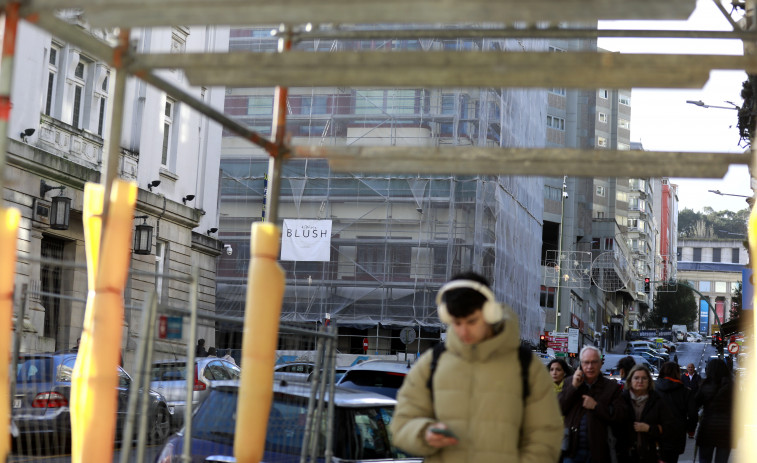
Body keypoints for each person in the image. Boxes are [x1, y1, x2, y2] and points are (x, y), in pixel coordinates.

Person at [390, 271, 563, 463]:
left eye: (472, 321)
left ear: (491, 313)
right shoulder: (432, 362)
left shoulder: (527, 367)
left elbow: (547, 435)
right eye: (456, 323)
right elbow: (400, 425)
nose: (463, 332)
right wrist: (423, 433)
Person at [559, 345, 628, 463]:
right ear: (581, 364)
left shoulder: (611, 387)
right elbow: (558, 409)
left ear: (601, 364)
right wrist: (573, 387)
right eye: (586, 362)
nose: (590, 367)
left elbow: (620, 415)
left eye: (594, 362)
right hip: (572, 451)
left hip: (599, 452)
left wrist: (596, 406)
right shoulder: (570, 382)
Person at [615, 364, 673, 463]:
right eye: (636, 378)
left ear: (649, 381)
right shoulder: (621, 400)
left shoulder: (657, 401)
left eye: (644, 378)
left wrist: (649, 428)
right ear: (630, 380)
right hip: (624, 455)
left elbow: (668, 427)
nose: (640, 381)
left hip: (649, 454)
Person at [655, 362, 697, 463]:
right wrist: (690, 429)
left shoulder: (654, 388)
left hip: (657, 431)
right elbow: (693, 414)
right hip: (677, 432)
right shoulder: (685, 391)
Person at [695, 358, 734, 463]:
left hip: (707, 429)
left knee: (704, 459)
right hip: (726, 431)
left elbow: (695, 405)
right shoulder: (732, 386)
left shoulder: (705, 385)